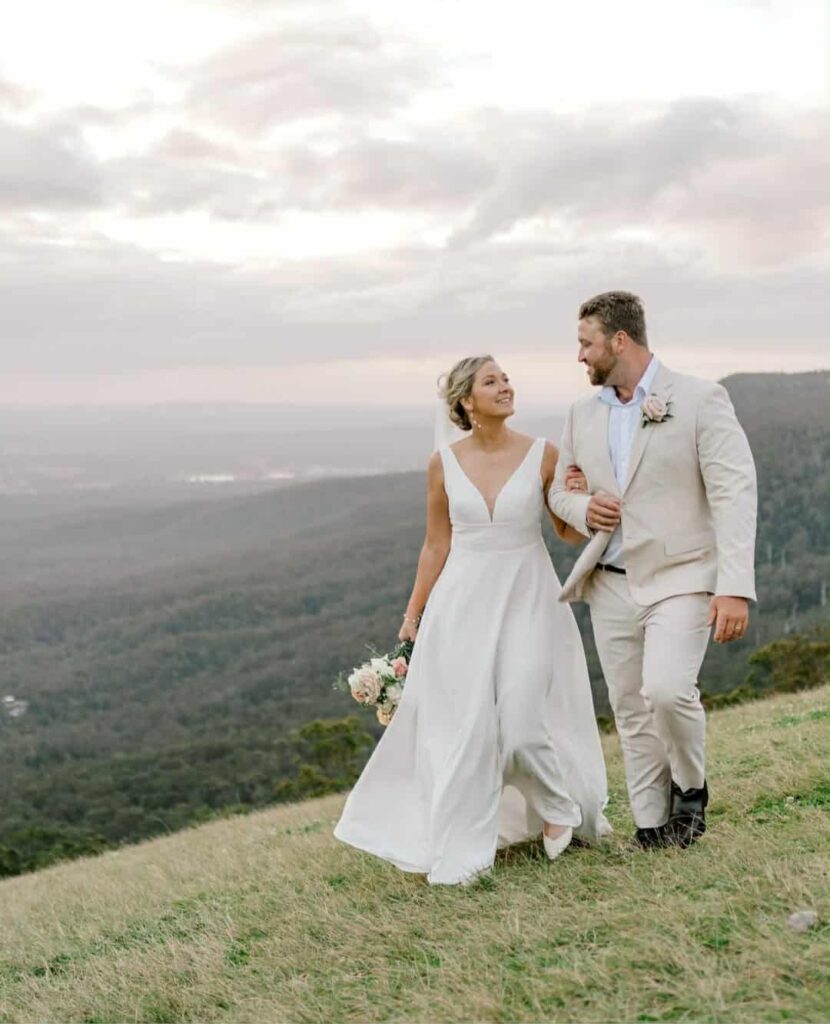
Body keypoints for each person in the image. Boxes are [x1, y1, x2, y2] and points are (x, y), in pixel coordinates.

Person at [334, 356, 610, 885]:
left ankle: (559, 807)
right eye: (492, 381)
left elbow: (567, 534)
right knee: (468, 729)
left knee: (524, 723)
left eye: (507, 378)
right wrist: (414, 614)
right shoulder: (443, 463)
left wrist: (578, 494)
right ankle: (469, 835)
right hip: (461, 607)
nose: (506, 386)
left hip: (529, 598)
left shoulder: (543, 454)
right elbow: (436, 544)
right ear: (465, 401)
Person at [549, 291, 757, 849]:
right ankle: (651, 824)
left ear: (619, 340)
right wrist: (582, 507)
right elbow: (559, 490)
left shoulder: (698, 398)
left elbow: (735, 493)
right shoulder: (580, 414)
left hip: (683, 575)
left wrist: (734, 588)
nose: (580, 357)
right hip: (610, 581)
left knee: (665, 690)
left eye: (585, 343)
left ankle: (690, 791)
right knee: (630, 708)